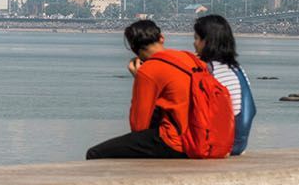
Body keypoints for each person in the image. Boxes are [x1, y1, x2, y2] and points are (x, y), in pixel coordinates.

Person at [85, 19, 199, 159]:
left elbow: (138, 126)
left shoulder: (148, 70)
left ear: (134, 49)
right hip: (201, 137)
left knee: (94, 153)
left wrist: (138, 78)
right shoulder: (190, 58)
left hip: (176, 142)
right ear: (162, 38)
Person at [193, 13, 256, 156]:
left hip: (220, 144)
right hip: (240, 144)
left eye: (196, 38)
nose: (194, 44)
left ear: (206, 41)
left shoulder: (208, 69)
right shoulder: (237, 69)